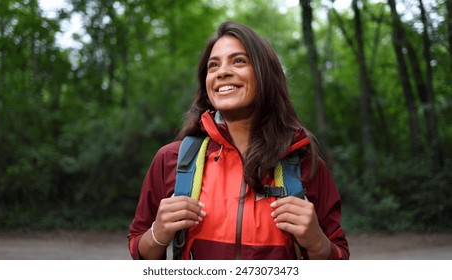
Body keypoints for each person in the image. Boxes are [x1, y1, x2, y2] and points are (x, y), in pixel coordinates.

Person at [128, 21, 349, 260]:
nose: (222, 72)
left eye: (239, 61)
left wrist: (317, 242)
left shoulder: (306, 164)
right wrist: (157, 234)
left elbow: (339, 257)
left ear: (265, 74)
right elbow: (139, 250)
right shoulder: (170, 159)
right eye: (213, 66)